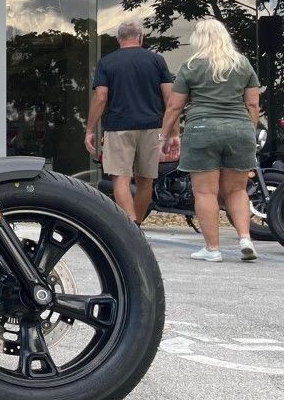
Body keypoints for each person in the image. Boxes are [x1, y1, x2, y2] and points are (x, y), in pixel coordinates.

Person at [161, 18, 262, 262]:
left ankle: (213, 248)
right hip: (239, 128)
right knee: (237, 190)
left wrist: (165, 135)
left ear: (198, 40)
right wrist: (250, 130)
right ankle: (245, 238)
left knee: (205, 192)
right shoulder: (242, 64)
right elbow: (253, 103)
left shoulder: (191, 66)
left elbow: (174, 106)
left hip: (202, 129)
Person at [85, 20, 173, 224]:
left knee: (120, 179)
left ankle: (130, 223)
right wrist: (172, 132)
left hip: (118, 127)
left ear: (118, 40)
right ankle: (137, 224)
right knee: (146, 181)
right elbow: (170, 99)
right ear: (141, 38)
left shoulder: (106, 63)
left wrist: (90, 129)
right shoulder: (157, 60)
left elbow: (100, 97)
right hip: (151, 127)